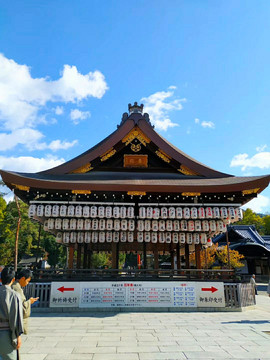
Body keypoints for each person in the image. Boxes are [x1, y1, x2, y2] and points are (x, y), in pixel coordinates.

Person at [0, 267, 23, 360]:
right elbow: (17, 319)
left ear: (0, 279)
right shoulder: (14, 295)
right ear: (13, 279)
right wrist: (18, 336)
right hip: (7, 333)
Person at [12, 269, 39, 335]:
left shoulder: (15, 285)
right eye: (27, 281)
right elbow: (22, 306)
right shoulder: (17, 288)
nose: (27, 283)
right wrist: (30, 301)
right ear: (23, 278)